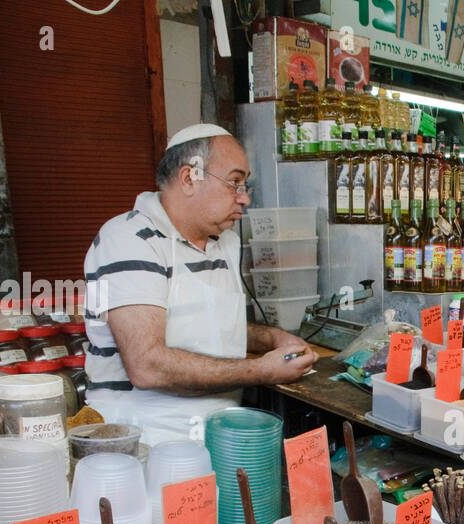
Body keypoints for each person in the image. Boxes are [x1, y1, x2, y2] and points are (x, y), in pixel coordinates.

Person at [83, 123, 316, 445]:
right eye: (234, 183)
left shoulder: (224, 243)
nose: (244, 198)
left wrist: (271, 338)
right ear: (189, 178)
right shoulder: (129, 239)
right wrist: (261, 370)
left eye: (245, 185)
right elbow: (147, 367)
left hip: (219, 429)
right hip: (145, 436)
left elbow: (205, 322)